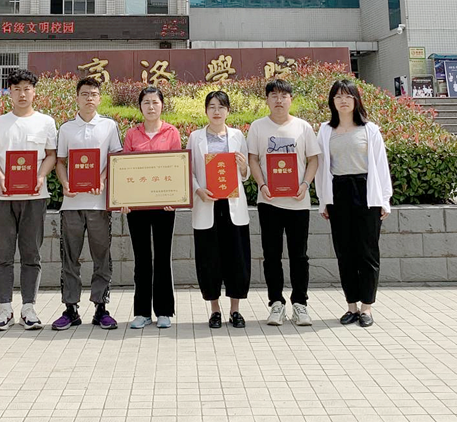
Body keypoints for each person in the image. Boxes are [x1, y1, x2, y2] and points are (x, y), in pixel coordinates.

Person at [0, 69, 57, 331]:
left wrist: (41, 175)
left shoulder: (46, 122)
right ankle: (4, 308)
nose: (22, 94)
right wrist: (1, 177)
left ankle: (29, 308)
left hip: (35, 196)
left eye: (27, 88)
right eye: (17, 89)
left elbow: (51, 155)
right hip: (3, 196)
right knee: (2, 253)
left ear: (34, 92)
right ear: (10, 93)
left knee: (31, 253)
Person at [315, 79, 392, 328]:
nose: (343, 101)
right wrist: (324, 201)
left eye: (348, 96)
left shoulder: (370, 130)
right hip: (338, 193)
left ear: (356, 100)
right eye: (338, 96)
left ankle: (367, 307)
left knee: (368, 252)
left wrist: (384, 200)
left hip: (366, 192)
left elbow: (381, 165)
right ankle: (351, 306)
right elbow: (321, 168)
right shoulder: (325, 130)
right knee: (344, 252)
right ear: (332, 102)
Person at [51, 77, 123, 331]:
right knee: (69, 257)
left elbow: (115, 158)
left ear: (100, 98)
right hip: (71, 204)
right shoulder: (66, 128)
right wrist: (65, 183)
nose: (89, 98)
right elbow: (60, 161)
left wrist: (101, 179)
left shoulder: (109, 126)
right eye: (84, 94)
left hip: (99, 204)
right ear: (77, 98)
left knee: (101, 256)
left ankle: (101, 307)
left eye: (93, 94)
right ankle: (70, 308)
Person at [247, 79, 321, 327]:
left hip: (298, 202)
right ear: (267, 100)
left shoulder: (303, 127)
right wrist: (262, 185)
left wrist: (305, 184)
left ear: (291, 99)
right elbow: (253, 159)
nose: (279, 100)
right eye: (274, 95)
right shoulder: (258, 127)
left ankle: (300, 304)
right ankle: (276, 304)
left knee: (299, 256)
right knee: (271, 256)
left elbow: (313, 160)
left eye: (283, 96)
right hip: (269, 201)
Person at [186, 91, 251, 329]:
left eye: (221, 107)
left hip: (233, 206)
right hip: (207, 203)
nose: (216, 111)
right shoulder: (195, 137)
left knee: (237, 257)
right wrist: (198, 190)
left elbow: (245, 175)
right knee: (209, 259)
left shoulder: (237, 135)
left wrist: (243, 168)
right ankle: (214, 310)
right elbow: (189, 170)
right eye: (212, 107)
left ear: (228, 111)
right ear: (205, 110)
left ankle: (235, 310)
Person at [121, 86, 182, 330]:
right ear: (140, 107)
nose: (151, 106)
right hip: (136, 207)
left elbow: (177, 167)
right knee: (142, 258)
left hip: (165, 206)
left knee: (163, 257)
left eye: (155, 102)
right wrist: (123, 199)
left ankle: (164, 310)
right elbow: (124, 169)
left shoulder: (172, 132)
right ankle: (142, 312)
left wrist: (174, 197)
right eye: (146, 102)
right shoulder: (131, 135)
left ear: (162, 105)